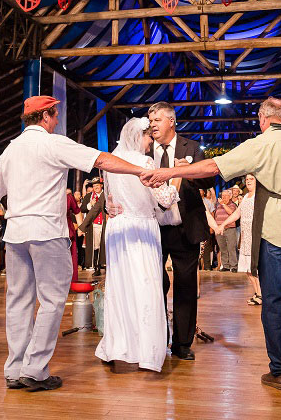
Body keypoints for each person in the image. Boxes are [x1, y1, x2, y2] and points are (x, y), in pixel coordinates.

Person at [142, 98, 281, 392]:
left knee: (273, 302)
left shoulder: (259, 144)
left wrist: (170, 172)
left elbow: (212, 166)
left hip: (275, 232)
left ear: (263, 119)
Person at [0, 95, 147, 391]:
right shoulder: (53, 143)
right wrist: (140, 170)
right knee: (52, 300)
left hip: (16, 234)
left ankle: (14, 369)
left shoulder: (11, 148)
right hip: (47, 232)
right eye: (55, 115)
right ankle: (34, 369)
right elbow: (101, 159)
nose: (57, 120)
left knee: (18, 301)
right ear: (45, 116)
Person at [96, 117, 179, 372]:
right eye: (148, 138)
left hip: (118, 228)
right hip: (141, 228)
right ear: (139, 136)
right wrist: (176, 176)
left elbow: (111, 200)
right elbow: (165, 199)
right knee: (145, 285)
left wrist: (113, 208)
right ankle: (146, 350)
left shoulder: (113, 161)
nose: (150, 143)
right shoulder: (144, 162)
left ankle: (120, 345)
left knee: (121, 287)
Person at [147, 101, 212, 363]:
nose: (152, 125)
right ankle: (157, 338)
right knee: (155, 283)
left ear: (171, 121)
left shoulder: (191, 147)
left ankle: (182, 343)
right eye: (150, 120)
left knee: (185, 286)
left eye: (157, 120)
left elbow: (209, 179)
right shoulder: (145, 149)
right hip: (153, 228)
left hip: (185, 227)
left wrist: (189, 171)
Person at [221, 174, 261, 305]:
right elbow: (237, 214)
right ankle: (257, 292)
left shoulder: (258, 196)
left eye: (251, 179)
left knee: (254, 268)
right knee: (248, 269)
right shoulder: (245, 198)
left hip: (255, 236)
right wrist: (223, 224)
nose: (248, 181)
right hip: (245, 237)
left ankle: (261, 294)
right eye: (247, 179)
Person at [80, 177, 107, 274]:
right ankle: (96, 267)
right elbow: (82, 209)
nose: (96, 187)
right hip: (94, 224)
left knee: (104, 245)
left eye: (97, 185)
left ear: (101, 186)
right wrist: (89, 205)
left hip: (104, 224)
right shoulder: (89, 196)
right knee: (95, 246)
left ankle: (104, 264)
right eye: (94, 186)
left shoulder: (106, 195)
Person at [212, 189, 238, 272]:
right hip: (219, 230)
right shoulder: (218, 205)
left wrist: (223, 204)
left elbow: (231, 213)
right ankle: (226, 265)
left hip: (229, 229)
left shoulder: (232, 205)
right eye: (222, 196)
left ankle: (234, 266)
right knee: (222, 248)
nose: (223, 197)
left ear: (230, 197)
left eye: (226, 196)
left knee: (231, 248)